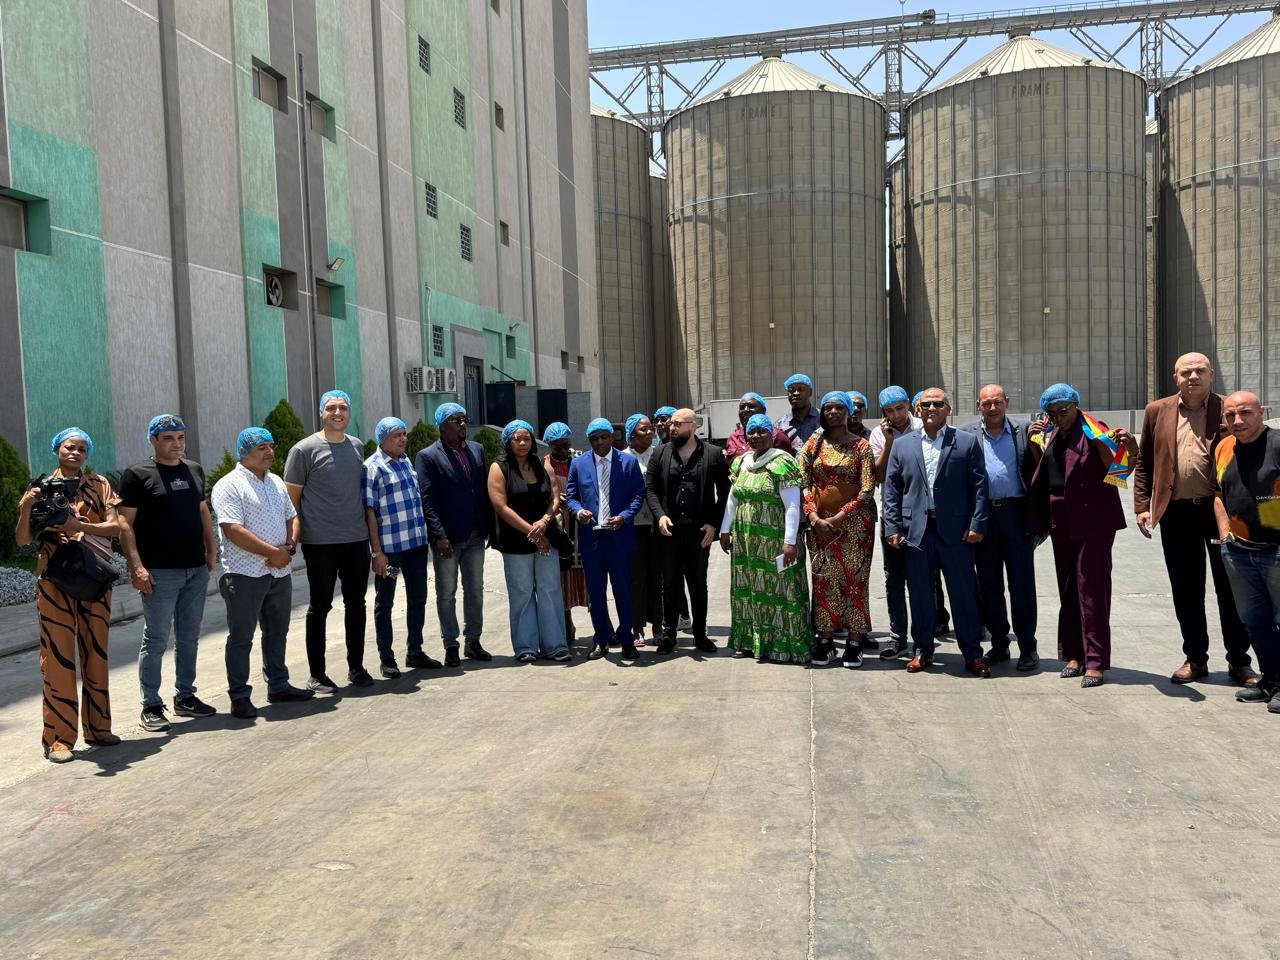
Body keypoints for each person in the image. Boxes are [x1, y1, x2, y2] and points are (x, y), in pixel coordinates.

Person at [1134, 353, 1257, 687]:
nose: (1193, 377)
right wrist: (1142, 505)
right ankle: (1195, 658)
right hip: (1176, 513)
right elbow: (1144, 462)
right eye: (1185, 372)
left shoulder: (1227, 408)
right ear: (1174, 377)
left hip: (1221, 513)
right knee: (1186, 589)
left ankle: (1239, 661)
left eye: (1199, 371)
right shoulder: (1156, 411)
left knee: (1231, 588)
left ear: (1211, 374)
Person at [16, 428, 123, 762]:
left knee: (96, 652)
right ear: (57, 450)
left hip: (94, 576)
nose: (75, 452)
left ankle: (99, 728)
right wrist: (27, 506)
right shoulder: (41, 487)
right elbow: (22, 540)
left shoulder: (100, 485)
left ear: (87, 453)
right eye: (69, 447)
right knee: (57, 658)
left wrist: (79, 527)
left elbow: (115, 527)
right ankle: (59, 739)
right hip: (54, 579)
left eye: (81, 448)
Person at [1028, 383, 1139, 689]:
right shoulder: (1050, 433)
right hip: (1060, 520)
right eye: (1051, 412)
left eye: (1063, 410)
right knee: (1067, 588)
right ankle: (1073, 654)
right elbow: (1048, 471)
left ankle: (1095, 661)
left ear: (1075, 406)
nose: (1058, 416)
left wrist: (1132, 449)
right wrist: (1035, 443)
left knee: (1092, 590)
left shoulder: (1095, 432)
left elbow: (1119, 474)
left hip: (1093, 521)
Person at [119, 414, 219, 734]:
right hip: (159, 572)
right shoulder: (137, 474)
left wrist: (211, 549)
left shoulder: (194, 469)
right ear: (153, 440)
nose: (176, 444)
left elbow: (202, 510)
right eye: (168, 439)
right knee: (157, 638)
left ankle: (185, 696)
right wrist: (136, 566)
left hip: (195, 569)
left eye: (180, 438)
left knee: (189, 636)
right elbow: (124, 525)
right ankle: (150, 704)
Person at [882, 388, 991, 677]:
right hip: (916, 531)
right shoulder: (902, 445)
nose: (932, 408)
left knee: (963, 593)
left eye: (938, 404)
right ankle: (922, 650)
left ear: (948, 409)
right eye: (926, 404)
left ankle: (972, 653)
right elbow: (892, 490)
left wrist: (977, 523)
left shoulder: (965, 442)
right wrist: (892, 526)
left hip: (956, 532)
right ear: (917, 409)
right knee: (920, 594)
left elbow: (979, 487)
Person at [210, 428, 314, 719]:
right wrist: (272, 553)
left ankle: (278, 685)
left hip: (280, 572)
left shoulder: (276, 482)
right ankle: (239, 696)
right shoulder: (229, 486)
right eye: (262, 447)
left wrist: (289, 547)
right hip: (244, 574)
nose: (270, 452)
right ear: (244, 452)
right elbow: (232, 530)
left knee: (277, 632)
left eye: (271, 445)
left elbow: (292, 516)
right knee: (241, 636)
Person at [284, 389, 373, 692]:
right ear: (321, 412)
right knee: (320, 606)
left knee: (356, 604)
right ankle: (317, 674)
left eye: (343, 408)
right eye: (331, 408)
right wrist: (292, 539)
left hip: (356, 539)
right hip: (320, 542)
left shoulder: (356, 446)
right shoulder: (303, 450)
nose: (337, 413)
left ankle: (356, 667)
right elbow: (291, 501)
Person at [959, 385, 1039, 671]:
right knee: (989, 585)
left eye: (997, 403)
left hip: (1016, 516)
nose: (992, 408)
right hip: (983, 517)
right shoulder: (966, 434)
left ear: (1007, 402)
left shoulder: (1024, 430)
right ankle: (999, 644)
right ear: (978, 405)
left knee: (1022, 585)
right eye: (986, 404)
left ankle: (1028, 647)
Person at [719, 414, 810, 662]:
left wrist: (789, 542)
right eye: (752, 431)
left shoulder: (783, 462)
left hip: (775, 540)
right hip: (746, 541)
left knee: (780, 591)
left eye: (762, 431)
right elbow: (733, 498)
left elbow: (793, 506)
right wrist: (725, 529)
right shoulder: (742, 462)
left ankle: (782, 645)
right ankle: (749, 641)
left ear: (772, 434)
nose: (756, 436)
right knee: (747, 589)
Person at [1212, 391, 1280, 713]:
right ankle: (1272, 680)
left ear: (1261, 412)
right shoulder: (1224, 447)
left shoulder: (1277, 444)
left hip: (1275, 551)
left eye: (1245, 413)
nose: (1237, 421)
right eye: (1230, 415)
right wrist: (1225, 533)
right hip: (1238, 552)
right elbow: (1217, 493)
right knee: (1254, 621)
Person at [869, 386, 949, 659]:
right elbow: (879, 476)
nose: (896, 415)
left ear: (909, 406)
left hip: (922, 516)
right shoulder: (878, 434)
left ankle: (925, 636)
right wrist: (889, 442)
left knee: (925, 579)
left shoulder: (924, 427)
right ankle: (897, 637)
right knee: (894, 579)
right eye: (889, 411)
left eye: (900, 408)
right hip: (892, 516)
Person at [798, 392, 877, 667]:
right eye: (828, 408)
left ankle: (854, 642)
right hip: (819, 526)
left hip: (854, 526)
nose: (833, 412)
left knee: (854, 582)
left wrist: (841, 516)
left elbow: (867, 489)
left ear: (848, 412)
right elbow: (802, 482)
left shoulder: (862, 446)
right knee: (823, 581)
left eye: (838, 408)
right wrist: (813, 517)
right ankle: (825, 640)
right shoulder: (814, 443)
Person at [645, 408, 731, 655]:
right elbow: (650, 488)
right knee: (670, 584)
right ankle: (669, 635)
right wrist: (660, 515)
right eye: (671, 424)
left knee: (698, 584)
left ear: (693, 426)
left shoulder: (712, 454)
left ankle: (700, 635)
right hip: (669, 532)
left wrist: (714, 524)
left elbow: (725, 491)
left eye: (677, 424)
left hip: (698, 531)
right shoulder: (660, 453)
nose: (671, 428)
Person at [487, 420, 572, 663]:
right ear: (508, 441)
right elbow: (501, 507)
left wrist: (544, 522)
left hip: (547, 537)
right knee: (522, 593)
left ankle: (555, 645)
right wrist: (533, 532)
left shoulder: (542, 464)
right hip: (516, 541)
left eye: (527, 438)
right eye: (517, 439)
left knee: (550, 590)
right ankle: (526, 646)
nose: (523, 443)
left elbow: (554, 498)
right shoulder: (499, 467)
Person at [417, 402, 493, 668]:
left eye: (464, 419)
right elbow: (428, 501)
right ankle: (451, 644)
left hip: (474, 533)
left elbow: (481, 491)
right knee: (446, 593)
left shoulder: (477, 449)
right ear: (441, 426)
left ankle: (473, 641)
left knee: (475, 590)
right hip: (447, 537)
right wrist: (438, 535)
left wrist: (488, 526)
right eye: (456, 420)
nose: (462, 424)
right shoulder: (428, 456)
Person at [568, 418, 646, 660]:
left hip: (619, 538)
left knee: (623, 591)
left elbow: (638, 495)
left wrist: (624, 516)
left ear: (611, 437)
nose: (599, 442)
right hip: (592, 540)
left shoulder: (627, 462)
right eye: (594, 439)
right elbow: (571, 496)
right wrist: (578, 511)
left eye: (603, 437)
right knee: (596, 594)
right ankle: (600, 639)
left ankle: (627, 640)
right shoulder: (579, 464)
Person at [364, 416, 435, 679]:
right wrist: (377, 552)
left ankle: (414, 650)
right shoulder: (372, 467)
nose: (403, 439)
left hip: (415, 546)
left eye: (404, 434)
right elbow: (369, 512)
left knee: (418, 598)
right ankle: (387, 658)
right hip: (390, 551)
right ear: (383, 439)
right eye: (397, 435)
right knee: (385, 602)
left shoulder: (406, 461)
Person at [543, 422, 590, 644]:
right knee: (561, 578)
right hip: (558, 527)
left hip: (581, 525)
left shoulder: (580, 460)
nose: (562, 450)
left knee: (589, 576)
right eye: (557, 446)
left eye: (565, 445)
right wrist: (553, 500)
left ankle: (603, 623)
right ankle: (566, 623)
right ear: (549, 445)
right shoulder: (543, 464)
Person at [624, 413, 662, 646]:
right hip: (632, 526)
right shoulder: (622, 458)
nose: (650, 432)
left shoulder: (659, 455)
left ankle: (658, 625)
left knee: (656, 578)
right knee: (635, 578)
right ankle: (637, 628)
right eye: (643, 429)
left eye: (651, 428)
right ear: (631, 434)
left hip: (656, 526)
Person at [724, 392, 791, 465]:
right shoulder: (733, 438)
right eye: (742, 407)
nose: (746, 410)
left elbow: (788, 463)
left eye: (751, 406)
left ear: (763, 410)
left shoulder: (778, 436)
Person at [776, 373, 821, 453]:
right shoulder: (780, 424)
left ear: (810, 392)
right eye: (791, 390)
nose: (796, 393)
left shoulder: (823, 419)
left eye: (801, 389)